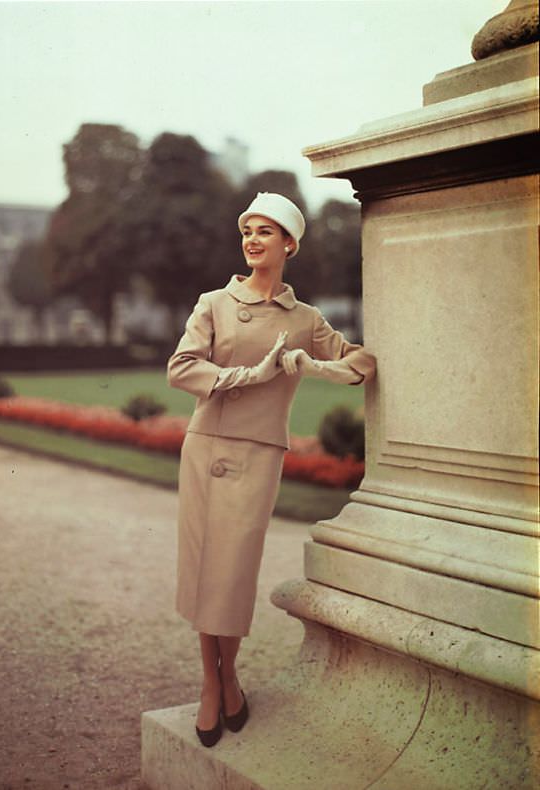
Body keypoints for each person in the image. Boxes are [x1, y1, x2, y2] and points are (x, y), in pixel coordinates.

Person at [167, 192, 376, 747]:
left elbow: (362, 363)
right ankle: (215, 684)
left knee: (232, 572)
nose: (253, 240)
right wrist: (250, 377)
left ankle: (225, 675)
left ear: (290, 244)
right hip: (206, 443)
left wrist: (313, 365)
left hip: (258, 453)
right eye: (247, 231)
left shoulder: (306, 320)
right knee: (204, 566)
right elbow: (181, 368)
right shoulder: (212, 302)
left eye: (265, 232)